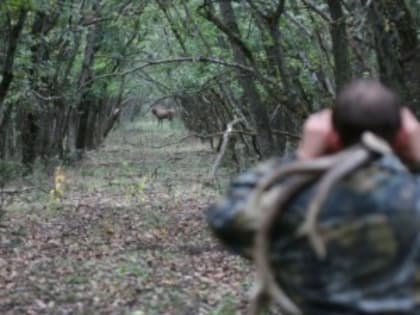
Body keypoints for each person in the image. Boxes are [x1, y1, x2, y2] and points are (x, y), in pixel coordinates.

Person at [207, 79, 420, 315]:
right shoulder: (413, 195)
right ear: (401, 136)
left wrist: (303, 157)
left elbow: (225, 217)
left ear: (332, 136)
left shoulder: (293, 203)